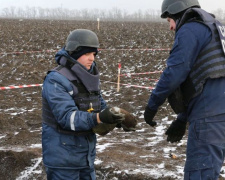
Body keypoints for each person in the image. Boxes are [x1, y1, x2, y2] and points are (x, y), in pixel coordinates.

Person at [144, 0, 225, 179]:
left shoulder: (189, 29)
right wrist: (183, 118)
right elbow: (206, 82)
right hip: (218, 113)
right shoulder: (214, 27)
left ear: (177, 13)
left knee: (199, 173)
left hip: (209, 118)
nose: (171, 27)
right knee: (210, 168)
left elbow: (175, 73)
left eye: (169, 21)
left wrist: (152, 105)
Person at [41, 29, 124, 180]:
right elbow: (67, 117)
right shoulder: (55, 80)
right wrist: (98, 118)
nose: (92, 58)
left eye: (94, 54)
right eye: (87, 54)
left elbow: (99, 104)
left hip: (85, 158)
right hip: (63, 161)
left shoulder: (88, 77)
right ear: (74, 52)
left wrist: (114, 117)